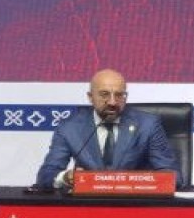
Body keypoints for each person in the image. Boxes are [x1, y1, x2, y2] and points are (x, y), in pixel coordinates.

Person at [34, 68, 184, 189]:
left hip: (135, 206)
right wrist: (66, 177)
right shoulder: (69, 128)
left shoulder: (148, 125)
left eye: (119, 95)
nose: (112, 102)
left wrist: (142, 182)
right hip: (87, 208)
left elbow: (173, 175)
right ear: (90, 97)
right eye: (104, 94)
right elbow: (46, 175)